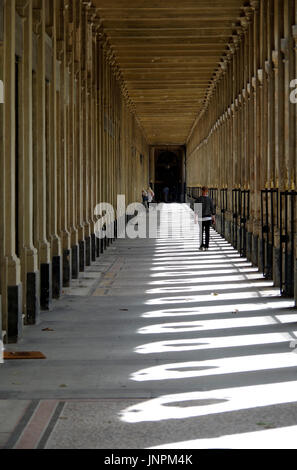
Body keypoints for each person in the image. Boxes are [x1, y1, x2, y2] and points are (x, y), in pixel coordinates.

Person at [195, 186, 216, 251]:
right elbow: (212, 210)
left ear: (202, 191)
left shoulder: (198, 199)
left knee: (201, 232)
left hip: (201, 219)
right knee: (207, 232)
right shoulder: (210, 199)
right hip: (208, 218)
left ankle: (201, 245)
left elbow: (196, 210)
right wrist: (213, 219)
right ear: (207, 191)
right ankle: (206, 246)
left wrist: (195, 218)